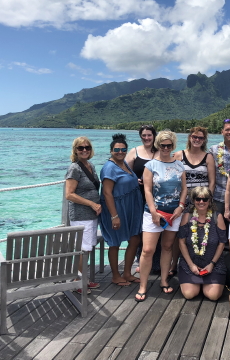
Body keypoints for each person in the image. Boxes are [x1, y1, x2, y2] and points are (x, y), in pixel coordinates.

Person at [136, 130, 187, 302]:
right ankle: (143, 286)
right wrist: (153, 212)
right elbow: (147, 190)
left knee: (167, 247)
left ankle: (164, 280)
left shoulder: (180, 165)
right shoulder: (150, 165)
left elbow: (184, 188)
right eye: (163, 145)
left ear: (173, 145)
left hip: (174, 213)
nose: (166, 148)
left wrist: (181, 206)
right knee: (148, 249)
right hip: (153, 213)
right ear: (158, 145)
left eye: (169, 145)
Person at [170, 127, 216, 276]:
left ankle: (197, 262)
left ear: (204, 140)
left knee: (199, 233)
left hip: (201, 202)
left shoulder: (208, 157)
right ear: (190, 137)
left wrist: (207, 201)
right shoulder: (178, 155)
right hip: (182, 202)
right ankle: (174, 264)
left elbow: (212, 182)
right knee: (180, 234)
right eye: (195, 137)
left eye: (200, 138)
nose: (197, 140)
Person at [100, 134, 143, 286]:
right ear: (111, 151)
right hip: (116, 209)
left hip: (130, 208)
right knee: (115, 242)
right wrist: (114, 216)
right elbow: (106, 193)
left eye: (123, 149)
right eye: (116, 150)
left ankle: (127, 273)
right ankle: (115, 275)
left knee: (135, 239)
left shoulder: (124, 164)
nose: (120, 152)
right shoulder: (109, 167)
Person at [65, 136, 101, 293]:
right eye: (81, 148)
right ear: (75, 150)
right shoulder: (74, 168)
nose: (84, 150)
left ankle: (83, 279)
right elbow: (69, 194)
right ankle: (78, 282)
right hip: (81, 215)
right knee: (82, 249)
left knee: (87, 248)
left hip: (91, 215)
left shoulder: (90, 165)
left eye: (87, 147)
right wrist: (92, 203)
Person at [177, 187, 227, 300]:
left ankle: (209, 283)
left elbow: (222, 243)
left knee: (213, 296)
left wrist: (212, 264)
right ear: (193, 200)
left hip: (213, 264)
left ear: (210, 201)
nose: (201, 202)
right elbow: (181, 242)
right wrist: (191, 265)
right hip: (190, 264)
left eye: (205, 199)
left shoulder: (217, 217)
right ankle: (196, 283)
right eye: (198, 199)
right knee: (189, 294)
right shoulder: (187, 216)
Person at [126, 125, 161, 274]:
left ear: (154, 136)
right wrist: (134, 180)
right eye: (144, 135)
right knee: (140, 229)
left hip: (158, 196)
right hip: (138, 197)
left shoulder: (161, 151)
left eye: (149, 135)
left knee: (158, 228)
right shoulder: (134, 151)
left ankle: (157, 262)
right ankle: (140, 260)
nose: (146, 138)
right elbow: (124, 171)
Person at [209, 119, 230, 217]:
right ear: (222, 131)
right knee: (217, 228)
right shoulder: (213, 150)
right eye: (227, 130)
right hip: (218, 196)